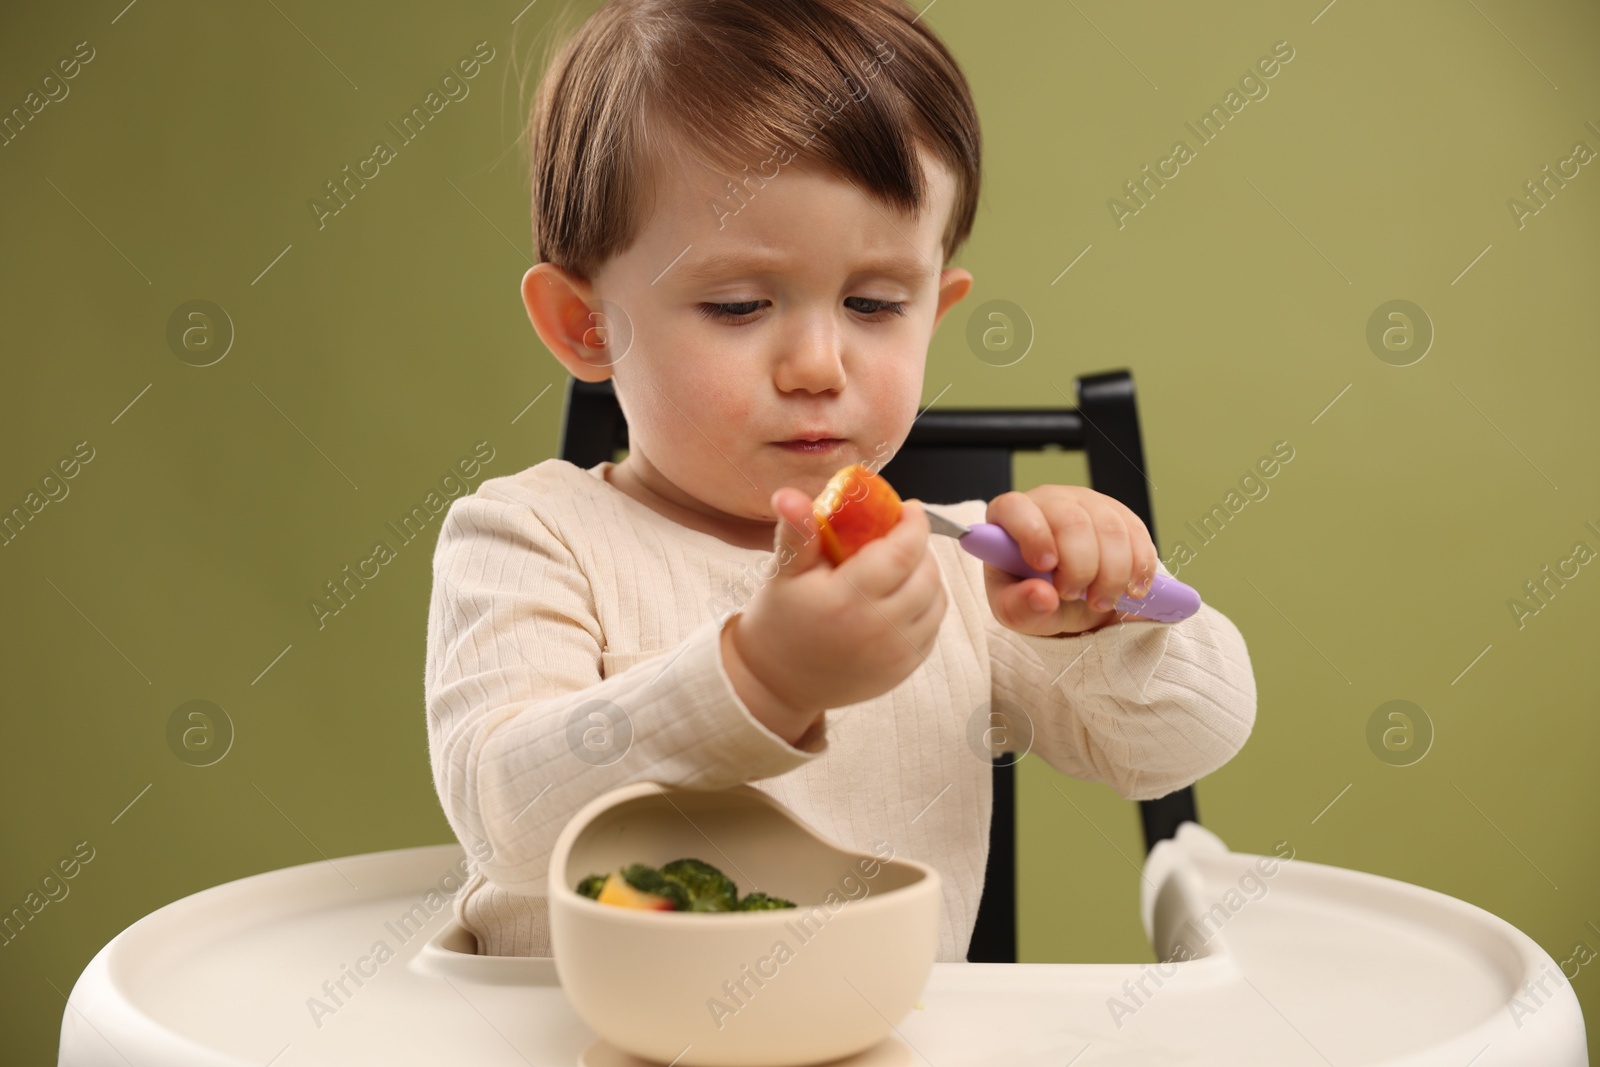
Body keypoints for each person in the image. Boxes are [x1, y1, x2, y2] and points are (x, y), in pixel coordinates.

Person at [424, 0, 1256, 962]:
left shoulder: (955, 567)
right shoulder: (530, 537)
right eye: (738, 305)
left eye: (873, 303)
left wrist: (1103, 621)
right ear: (588, 325)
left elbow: (1183, 743)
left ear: (934, 312)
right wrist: (762, 678)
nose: (819, 363)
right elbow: (504, 813)